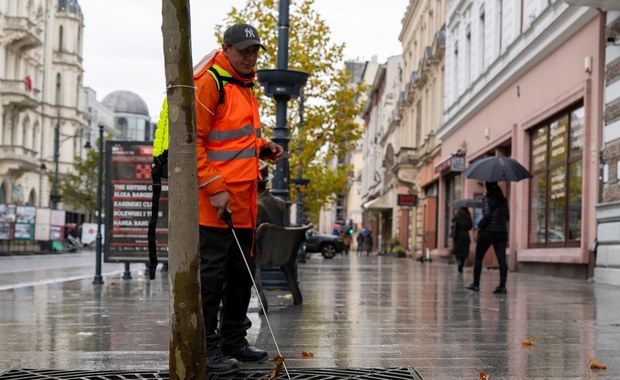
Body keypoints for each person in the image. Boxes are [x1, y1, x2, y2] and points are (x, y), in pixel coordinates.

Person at [194, 23, 283, 375]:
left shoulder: (244, 85)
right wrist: (215, 189)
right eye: (244, 50)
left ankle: (234, 339)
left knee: (241, 273)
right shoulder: (210, 81)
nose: (250, 56)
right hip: (215, 203)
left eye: (255, 50)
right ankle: (207, 348)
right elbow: (194, 143)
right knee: (212, 278)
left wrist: (263, 148)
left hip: (244, 200)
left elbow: (235, 137)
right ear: (226, 48)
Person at [466, 182, 510, 294]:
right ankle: (502, 286)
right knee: (502, 260)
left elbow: (487, 216)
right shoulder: (504, 200)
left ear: (487, 188)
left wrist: (478, 227)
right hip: (501, 233)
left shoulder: (486, 198)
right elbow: (507, 217)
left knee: (478, 258)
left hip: (488, 232)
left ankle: (476, 284)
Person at [451, 207, 473, 273]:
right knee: (464, 251)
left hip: (458, 235)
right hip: (466, 235)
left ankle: (458, 261)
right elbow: (470, 226)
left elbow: (452, 220)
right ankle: (461, 265)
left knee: (457, 250)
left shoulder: (457, 215)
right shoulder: (468, 216)